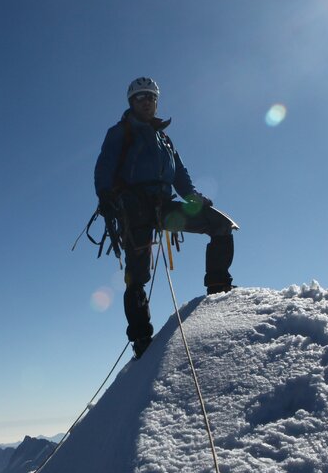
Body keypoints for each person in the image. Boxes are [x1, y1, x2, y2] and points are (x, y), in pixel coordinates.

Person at [94, 76, 236, 358]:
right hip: (133, 206)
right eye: (141, 98)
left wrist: (193, 197)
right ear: (131, 103)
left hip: (162, 205)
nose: (147, 102)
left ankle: (218, 291)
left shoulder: (164, 139)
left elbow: (180, 175)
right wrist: (109, 199)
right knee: (137, 276)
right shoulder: (120, 132)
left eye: (151, 97)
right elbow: (103, 169)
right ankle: (142, 340)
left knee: (220, 225)